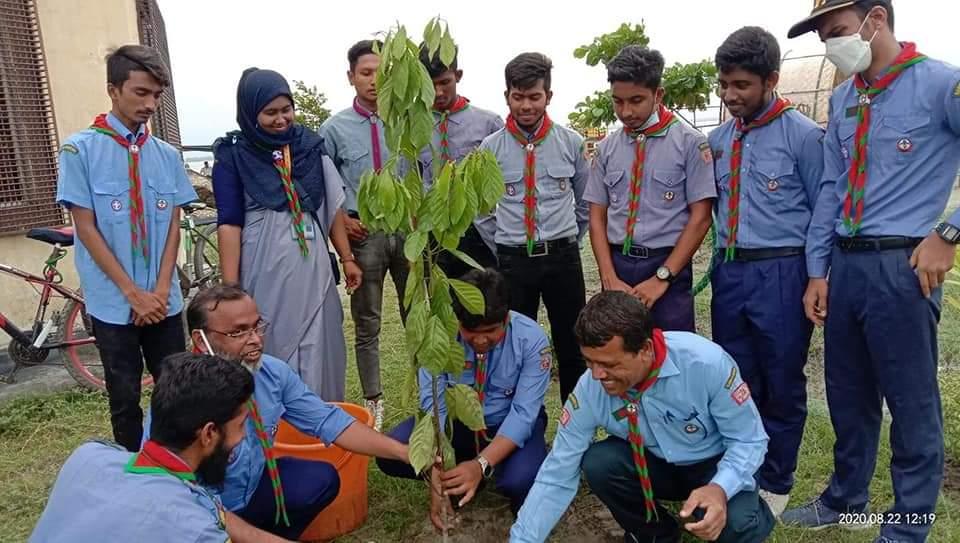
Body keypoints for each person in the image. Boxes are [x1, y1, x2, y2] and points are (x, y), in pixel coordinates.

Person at [782, 2, 960, 541]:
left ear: (875, 19)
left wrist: (948, 234)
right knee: (848, 392)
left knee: (910, 401)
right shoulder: (844, 98)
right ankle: (845, 497)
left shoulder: (940, 83)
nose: (831, 46)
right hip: (846, 264)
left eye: (836, 32)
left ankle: (906, 528)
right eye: (824, 38)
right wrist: (818, 270)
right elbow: (833, 189)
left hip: (904, 265)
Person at [142, 284, 411, 540]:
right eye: (238, 332)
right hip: (199, 509)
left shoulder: (272, 373)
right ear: (201, 339)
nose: (255, 340)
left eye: (257, 326)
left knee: (319, 480)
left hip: (253, 489)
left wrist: (403, 452)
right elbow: (164, 488)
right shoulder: (180, 393)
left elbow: (328, 420)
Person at [510, 291, 774, 543]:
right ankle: (655, 533)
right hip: (653, 464)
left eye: (610, 365)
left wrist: (720, 488)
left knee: (736, 525)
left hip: (712, 463)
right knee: (600, 464)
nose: (597, 375)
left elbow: (749, 440)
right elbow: (557, 472)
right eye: (590, 362)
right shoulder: (590, 388)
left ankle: (750, 512)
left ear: (646, 349)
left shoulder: (705, 364)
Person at [707, 27, 825, 517]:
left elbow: (824, 212)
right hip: (730, 274)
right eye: (724, 85)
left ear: (771, 80)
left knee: (781, 379)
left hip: (782, 272)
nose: (731, 96)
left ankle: (776, 481)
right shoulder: (716, 139)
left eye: (742, 86)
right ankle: (742, 471)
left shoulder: (803, 136)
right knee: (736, 379)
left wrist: (817, 276)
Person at [55, 45, 196, 452]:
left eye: (156, 95)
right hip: (114, 303)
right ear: (113, 90)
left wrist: (162, 288)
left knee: (175, 391)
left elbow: (173, 225)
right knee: (124, 396)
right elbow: (87, 229)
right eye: (140, 93)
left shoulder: (166, 156)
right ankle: (132, 475)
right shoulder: (79, 151)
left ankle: (176, 468)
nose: (150, 104)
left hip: (163, 301)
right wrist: (133, 293)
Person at [212, 67, 360, 401]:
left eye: (286, 110)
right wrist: (231, 287)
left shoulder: (309, 147)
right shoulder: (234, 154)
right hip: (264, 270)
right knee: (269, 343)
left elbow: (333, 206)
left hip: (313, 269)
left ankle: (321, 425)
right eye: (270, 113)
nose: (281, 120)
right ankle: (276, 429)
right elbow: (229, 222)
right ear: (251, 113)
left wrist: (347, 258)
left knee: (321, 342)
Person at [31, 353, 291, 542]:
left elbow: (210, 507)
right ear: (209, 433)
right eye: (241, 425)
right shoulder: (195, 531)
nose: (243, 437)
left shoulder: (89, 455)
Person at [377, 269, 551, 528]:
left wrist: (481, 463)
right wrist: (437, 466)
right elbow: (432, 403)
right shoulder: (439, 338)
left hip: (507, 425)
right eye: (470, 331)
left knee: (520, 481)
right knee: (392, 452)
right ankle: (462, 476)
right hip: (459, 426)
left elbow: (524, 415)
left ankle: (489, 467)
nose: (480, 340)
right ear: (457, 320)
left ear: (506, 318)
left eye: (491, 331)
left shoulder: (531, 340)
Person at [475, 52, 589, 404]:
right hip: (513, 262)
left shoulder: (571, 143)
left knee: (572, 343)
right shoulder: (489, 149)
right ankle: (522, 427)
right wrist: (506, 246)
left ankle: (576, 425)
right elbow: (482, 211)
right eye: (518, 96)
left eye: (534, 96)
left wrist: (567, 241)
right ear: (506, 95)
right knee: (515, 345)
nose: (526, 105)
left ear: (548, 97)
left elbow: (585, 203)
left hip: (562, 259)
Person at [584, 46, 715, 332]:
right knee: (622, 355)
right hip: (618, 266)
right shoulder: (607, 149)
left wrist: (662, 277)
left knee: (671, 351)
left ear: (658, 95)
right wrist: (608, 276)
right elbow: (597, 216)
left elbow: (701, 217)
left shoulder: (691, 143)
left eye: (636, 100)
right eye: (618, 102)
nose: (626, 111)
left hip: (668, 265)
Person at [320, 40, 408, 429]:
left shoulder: (406, 120)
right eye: (366, 73)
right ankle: (374, 400)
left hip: (406, 232)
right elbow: (325, 185)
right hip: (363, 235)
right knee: (367, 321)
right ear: (351, 77)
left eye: (380, 72)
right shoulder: (334, 128)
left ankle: (428, 393)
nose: (374, 81)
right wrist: (342, 221)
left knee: (416, 315)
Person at [418, 44, 504, 277]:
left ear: (458, 76)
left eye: (445, 82)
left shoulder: (489, 123)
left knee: (486, 303)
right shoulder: (415, 128)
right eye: (430, 83)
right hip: (434, 234)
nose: (438, 92)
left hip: (480, 232)